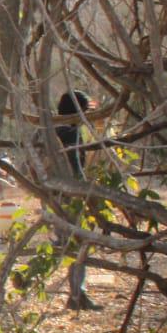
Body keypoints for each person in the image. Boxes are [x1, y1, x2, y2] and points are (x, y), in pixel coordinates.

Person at [56, 90, 98, 311]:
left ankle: (76, 293)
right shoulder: (70, 134)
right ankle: (77, 295)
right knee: (78, 244)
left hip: (52, 197)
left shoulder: (48, 129)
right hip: (69, 197)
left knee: (69, 244)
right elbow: (77, 171)